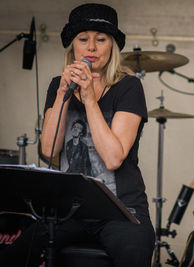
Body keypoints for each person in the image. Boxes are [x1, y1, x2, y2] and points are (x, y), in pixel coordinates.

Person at [0, 3, 155, 266]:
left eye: (101, 39)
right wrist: (62, 94)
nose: (91, 48)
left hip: (122, 210)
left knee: (133, 255)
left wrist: (90, 99)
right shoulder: (57, 86)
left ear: (112, 46)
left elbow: (113, 159)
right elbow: (48, 151)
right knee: (14, 256)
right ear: (74, 46)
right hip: (70, 211)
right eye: (83, 39)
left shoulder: (128, 87)